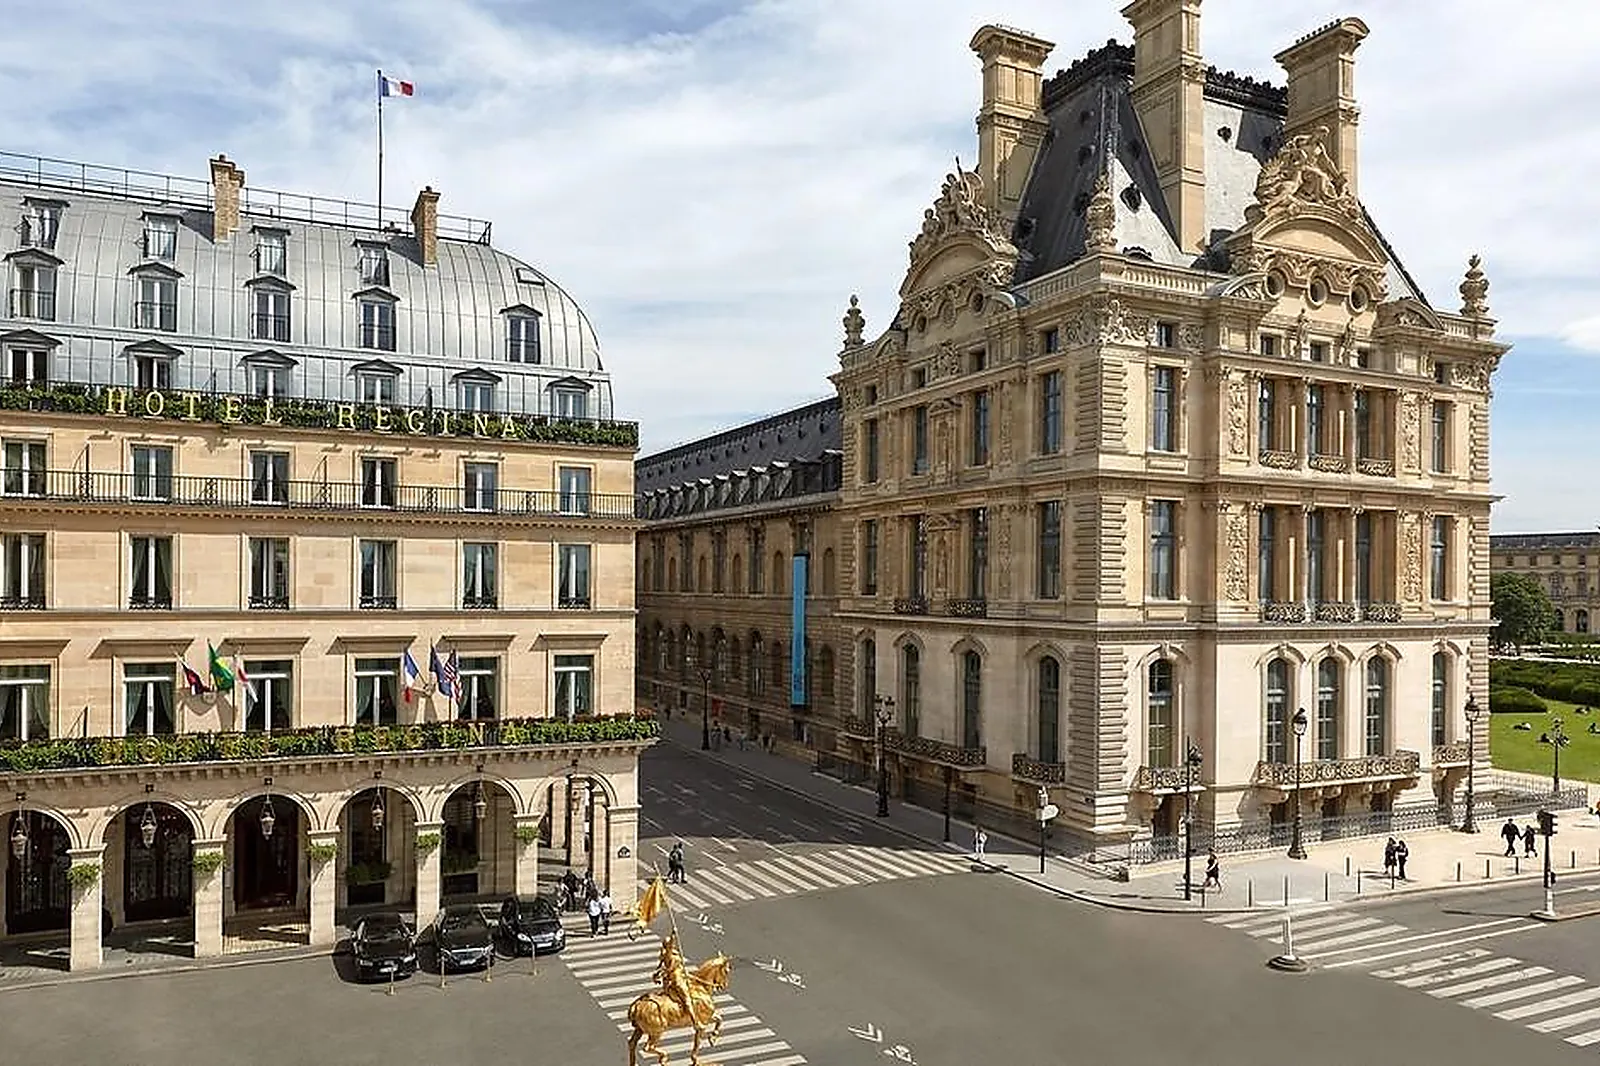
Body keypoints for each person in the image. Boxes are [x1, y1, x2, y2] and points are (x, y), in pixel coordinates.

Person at [655, 931, 702, 1034]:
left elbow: (660, 966)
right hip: (676, 979)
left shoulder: (672, 953)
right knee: (687, 999)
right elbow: (667, 965)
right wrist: (673, 935)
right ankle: (695, 1022)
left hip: (681, 975)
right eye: (670, 944)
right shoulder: (668, 954)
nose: (673, 945)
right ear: (667, 946)